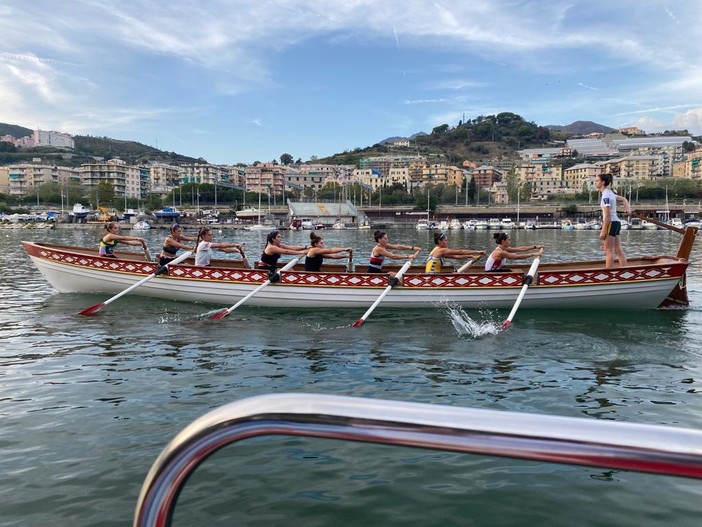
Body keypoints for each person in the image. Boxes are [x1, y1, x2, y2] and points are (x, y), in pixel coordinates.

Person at [595, 172, 630, 268]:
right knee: (618, 250)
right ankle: (625, 270)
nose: (595, 183)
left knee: (608, 250)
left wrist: (603, 231)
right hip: (617, 222)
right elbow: (624, 199)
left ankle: (609, 273)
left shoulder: (606, 196)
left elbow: (607, 215)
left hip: (611, 222)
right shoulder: (611, 193)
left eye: (597, 181)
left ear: (602, 182)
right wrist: (628, 210)